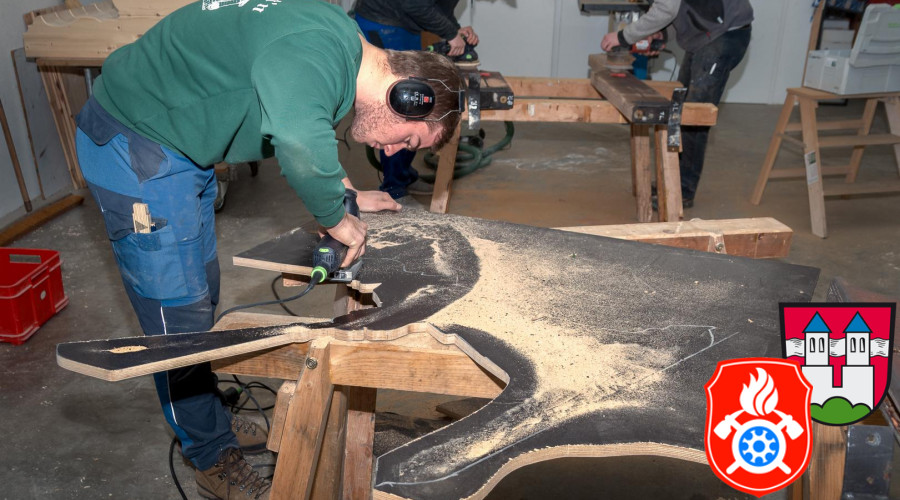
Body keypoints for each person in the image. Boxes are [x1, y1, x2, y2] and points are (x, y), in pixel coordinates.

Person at [74, 0, 462, 498]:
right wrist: (334, 217)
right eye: (407, 140)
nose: (393, 152)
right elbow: (298, 143)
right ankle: (210, 456)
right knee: (176, 317)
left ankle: (207, 413)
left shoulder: (341, 48)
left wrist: (345, 191)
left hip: (178, 141)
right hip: (135, 138)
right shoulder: (314, 52)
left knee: (200, 292)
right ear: (406, 97)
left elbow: (303, 118)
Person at [601, 0, 753, 208]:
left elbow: (667, 8)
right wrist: (662, 35)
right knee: (679, 110)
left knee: (694, 117)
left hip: (724, 34)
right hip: (706, 36)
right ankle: (673, 181)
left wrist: (622, 37)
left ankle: (682, 190)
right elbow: (683, 9)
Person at [352, 0, 480, 198]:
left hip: (405, 24)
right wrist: (450, 33)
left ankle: (402, 175)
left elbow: (438, 6)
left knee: (417, 108)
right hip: (384, 21)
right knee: (401, 110)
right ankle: (393, 186)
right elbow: (414, 4)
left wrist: (455, 30)